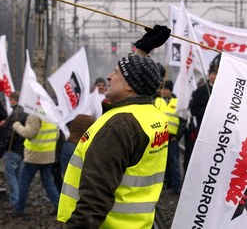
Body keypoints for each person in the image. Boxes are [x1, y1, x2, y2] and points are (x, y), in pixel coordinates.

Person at [57, 24, 171, 228]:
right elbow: (142, 81)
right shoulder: (153, 115)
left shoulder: (119, 125)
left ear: (129, 85)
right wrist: (141, 52)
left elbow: (95, 198)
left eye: (115, 72)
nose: (109, 76)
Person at [11, 114, 61, 215]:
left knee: (24, 181)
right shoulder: (52, 112)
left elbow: (29, 133)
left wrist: (16, 125)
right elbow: (57, 135)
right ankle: (59, 206)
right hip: (49, 153)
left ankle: (19, 208)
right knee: (48, 181)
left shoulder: (34, 115)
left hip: (34, 154)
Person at [185, 53, 221, 172]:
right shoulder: (200, 91)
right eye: (213, 74)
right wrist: (207, 110)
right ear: (209, 75)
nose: (215, 77)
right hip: (203, 130)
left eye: (217, 74)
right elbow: (193, 110)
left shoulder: (224, 91)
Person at [0, 91, 28, 207]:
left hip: (14, 149)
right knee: (19, 175)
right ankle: (21, 200)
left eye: (10, 100)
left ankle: (16, 201)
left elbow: (11, 133)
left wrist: (3, 145)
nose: (9, 102)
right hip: (22, 149)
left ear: (14, 100)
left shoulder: (16, 113)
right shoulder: (23, 112)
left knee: (11, 174)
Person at [154, 80, 182, 194]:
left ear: (170, 90)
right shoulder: (157, 101)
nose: (163, 91)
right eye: (162, 88)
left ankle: (176, 186)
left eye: (165, 88)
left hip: (172, 138)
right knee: (158, 162)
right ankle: (160, 185)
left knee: (174, 162)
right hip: (159, 137)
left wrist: (178, 136)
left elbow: (183, 121)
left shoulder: (178, 102)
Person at [59, 114, 95, 178]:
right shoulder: (90, 120)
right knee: (79, 173)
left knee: (65, 173)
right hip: (82, 146)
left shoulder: (72, 117)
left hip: (69, 145)